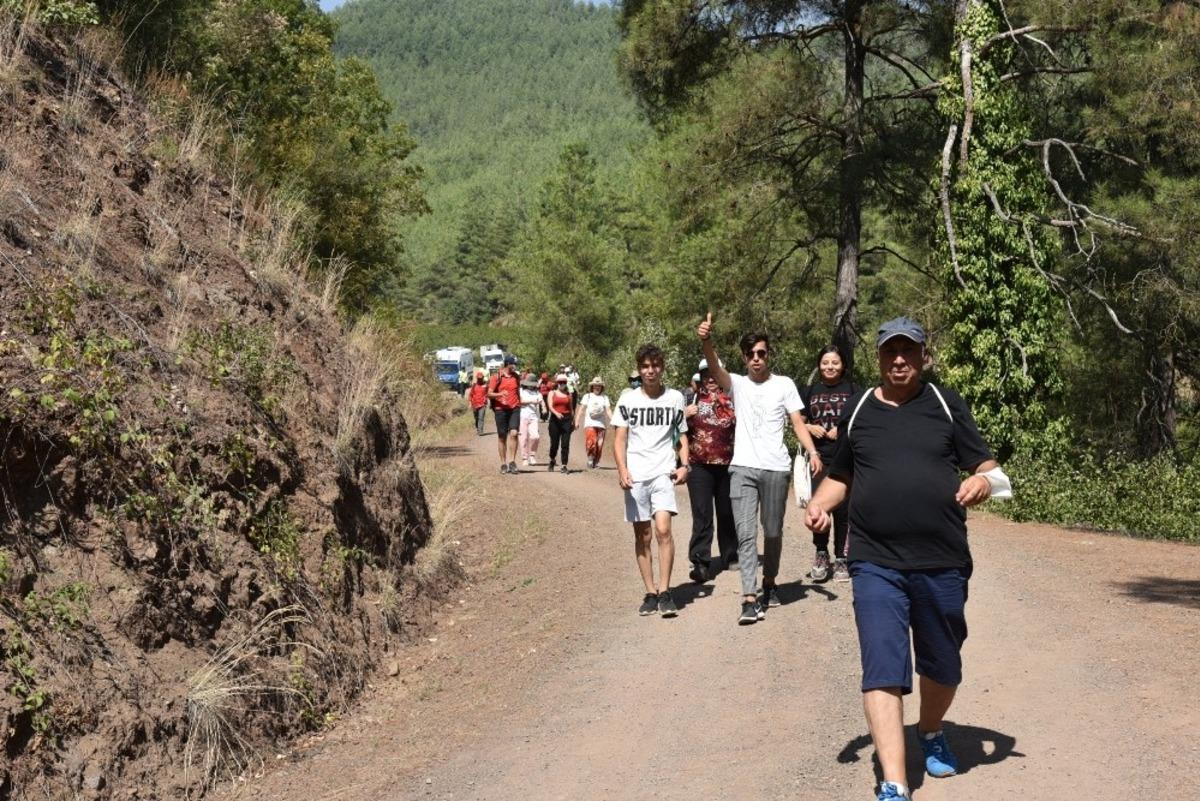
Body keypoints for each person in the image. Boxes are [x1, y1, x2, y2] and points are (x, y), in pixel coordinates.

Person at [804, 317, 1011, 801]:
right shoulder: (859, 409)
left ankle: (931, 729)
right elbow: (842, 476)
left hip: (941, 559)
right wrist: (819, 504)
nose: (899, 359)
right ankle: (894, 783)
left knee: (942, 663)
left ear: (923, 356)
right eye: (890, 351)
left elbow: (990, 468)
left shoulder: (944, 403)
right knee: (882, 663)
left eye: (909, 351)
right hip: (874, 559)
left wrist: (983, 482)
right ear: (878, 357)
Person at [697, 313, 823, 625]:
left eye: (761, 353)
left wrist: (812, 450)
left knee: (774, 530)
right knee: (746, 534)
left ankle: (769, 581)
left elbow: (797, 421)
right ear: (744, 357)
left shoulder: (784, 385)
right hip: (742, 468)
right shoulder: (736, 384)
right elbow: (714, 367)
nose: (756, 359)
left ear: (768, 355)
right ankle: (749, 597)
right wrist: (706, 340)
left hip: (775, 469)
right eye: (750, 354)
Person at [612, 343, 690, 617]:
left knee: (663, 530)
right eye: (645, 366)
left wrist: (685, 465)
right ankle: (650, 591)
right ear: (639, 369)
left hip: (662, 472)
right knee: (642, 535)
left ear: (662, 367)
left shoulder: (675, 398)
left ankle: (666, 591)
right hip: (636, 475)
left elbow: (681, 436)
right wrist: (622, 470)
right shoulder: (628, 400)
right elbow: (619, 439)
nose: (650, 371)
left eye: (655, 365)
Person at [800, 345, 859, 582]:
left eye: (835, 362)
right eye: (825, 362)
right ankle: (821, 553)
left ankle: (842, 558)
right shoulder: (809, 391)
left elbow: (862, 419)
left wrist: (842, 429)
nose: (830, 367)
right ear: (819, 364)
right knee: (819, 508)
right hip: (819, 458)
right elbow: (797, 421)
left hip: (847, 457)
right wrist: (808, 426)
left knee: (844, 510)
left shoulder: (854, 390)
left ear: (842, 364)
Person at [684, 358, 738, 584]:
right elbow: (675, 431)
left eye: (715, 374)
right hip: (698, 466)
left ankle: (730, 554)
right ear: (701, 378)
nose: (711, 379)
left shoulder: (734, 401)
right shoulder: (690, 400)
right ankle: (701, 562)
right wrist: (684, 415)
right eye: (706, 375)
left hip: (728, 465)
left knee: (727, 512)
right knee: (702, 513)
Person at [487, 355, 521, 474]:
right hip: (500, 409)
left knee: (514, 433)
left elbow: (517, 392)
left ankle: (512, 462)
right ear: (508, 364)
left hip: (514, 408)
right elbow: (489, 394)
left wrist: (520, 404)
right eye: (514, 364)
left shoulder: (516, 377)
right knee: (502, 437)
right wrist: (500, 394)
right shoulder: (496, 377)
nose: (515, 367)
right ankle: (503, 463)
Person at [574, 377, 612, 469]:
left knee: (599, 444)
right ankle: (590, 459)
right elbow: (581, 409)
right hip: (590, 423)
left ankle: (595, 462)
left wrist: (614, 420)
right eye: (595, 385)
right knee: (591, 441)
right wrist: (577, 421)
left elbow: (608, 410)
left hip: (601, 424)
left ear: (601, 387)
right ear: (592, 386)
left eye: (599, 386)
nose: (597, 387)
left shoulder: (605, 398)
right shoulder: (587, 396)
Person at [546, 374, 574, 474]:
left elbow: (571, 409)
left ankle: (564, 465)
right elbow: (550, 406)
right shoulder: (552, 393)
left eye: (564, 382)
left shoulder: (568, 394)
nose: (562, 384)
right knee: (554, 443)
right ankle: (552, 459)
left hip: (566, 420)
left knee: (565, 443)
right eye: (560, 382)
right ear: (557, 383)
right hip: (555, 419)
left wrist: (573, 421)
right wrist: (556, 413)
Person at [518, 374, 545, 467]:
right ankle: (524, 457)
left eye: (532, 383)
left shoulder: (538, 393)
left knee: (535, 436)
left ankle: (532, 455)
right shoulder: (521, 391)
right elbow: (519, 402)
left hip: (533, 417)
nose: (531, 385)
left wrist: (544, 408)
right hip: (523, 416)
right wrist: (531, 402)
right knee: (523, 438)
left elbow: (542, 402)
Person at [467, 370, 489, 436]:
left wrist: (487, 400)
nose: (479, 379)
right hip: (475, 404)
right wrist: (470, 403)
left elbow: (489, 393)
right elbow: (470, 395)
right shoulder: (474, 386)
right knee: (476, 418)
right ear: (477, 378)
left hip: (482, 404)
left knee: (481, 417)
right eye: (478, 378)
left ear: (482, 378)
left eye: (481, 378)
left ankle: (480, 431)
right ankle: (478, 428)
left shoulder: (485, 385)